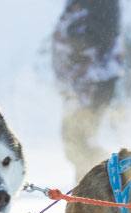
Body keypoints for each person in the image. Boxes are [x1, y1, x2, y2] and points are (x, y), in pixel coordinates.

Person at [51, 0, 122, 180]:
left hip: (94, 81)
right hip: (77, 83)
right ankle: (92, 184)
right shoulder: (76, 5)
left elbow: (103, 34)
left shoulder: (100, 5)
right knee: (73, 140)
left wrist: (78, 50)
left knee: (80, 139)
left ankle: (101, 183)